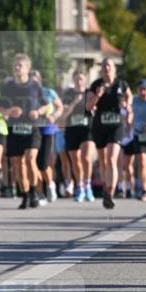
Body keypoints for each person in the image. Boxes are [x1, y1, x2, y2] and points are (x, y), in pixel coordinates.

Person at [0, 53, 51, 210]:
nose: (17, 68)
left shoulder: (35, 86)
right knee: (18, 164)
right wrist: (9, 111)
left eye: (20, 65)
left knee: (30, 159)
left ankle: (34, 192)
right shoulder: (8, 87)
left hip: (32, 128)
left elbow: (46, 105)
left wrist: (38, 112)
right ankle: (25, 195)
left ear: (27, 68)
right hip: (14, 129)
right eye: (15, 65)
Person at [87, 57, 132, 210]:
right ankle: (106, 186)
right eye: (104, 66)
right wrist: (97, 96)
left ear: (114, 68)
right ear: (101, 69)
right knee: (102, 160)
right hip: (100, 125)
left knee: (111, 158)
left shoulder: (121, 84)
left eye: (109, 65)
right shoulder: (96, 85)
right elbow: (88, 106)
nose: (107, 68)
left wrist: (127, 105)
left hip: (116, 125)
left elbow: (129, 96)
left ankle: (109, 193)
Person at [61, 70, 95, 202]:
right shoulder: (68, 94)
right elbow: (64, 114)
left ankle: (88, 185)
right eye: (76, 79)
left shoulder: (90, 93)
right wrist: (74, 102)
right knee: (75, 160)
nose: (79, 82)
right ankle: (80, 187)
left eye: (81, 79)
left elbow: (96, 108)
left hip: (87, 129)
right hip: (72, 129)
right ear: (73, 80)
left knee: (86, 158)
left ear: (85, 80)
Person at [31, 70, 63, 204]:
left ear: (39, 81)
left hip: (47, 130)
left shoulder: (48, 92)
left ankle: (50, 185)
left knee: (43, 163)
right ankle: (40, 193)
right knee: (32, 163)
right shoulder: (25, 94)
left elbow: (59, 107)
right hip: (32, 131)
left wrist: (54, 116)